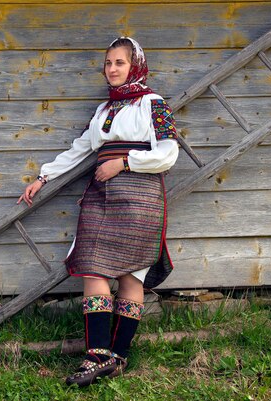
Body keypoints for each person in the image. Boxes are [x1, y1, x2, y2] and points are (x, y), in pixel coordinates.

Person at [17, 36, 179, 387]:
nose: (112, 69)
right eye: (107, 63)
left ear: (134, 64)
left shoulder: (154, 104)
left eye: (119, 62)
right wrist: (43, 177)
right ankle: (99, 355)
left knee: (130, 276)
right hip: (101, 196)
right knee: (92, 267)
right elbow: (79, 150)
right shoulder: (104, 111)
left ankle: (115, 357)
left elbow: (168, 153)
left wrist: (123, 162)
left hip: (140, 197)